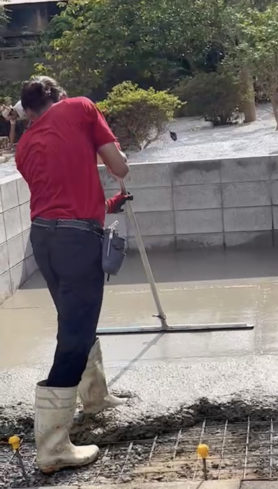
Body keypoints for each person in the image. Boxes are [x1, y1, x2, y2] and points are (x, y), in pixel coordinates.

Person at [15, 76, 129, 474]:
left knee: (74, 319)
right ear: (59, 97)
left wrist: (108, 204)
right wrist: (117, 164)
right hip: (76, 241)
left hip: (45, 239)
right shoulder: (81, 107)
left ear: (28, 111)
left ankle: (95, 398)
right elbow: (119, 165)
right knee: (74, 334)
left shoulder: (24, 145)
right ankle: (52, 448)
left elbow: (59, 197)